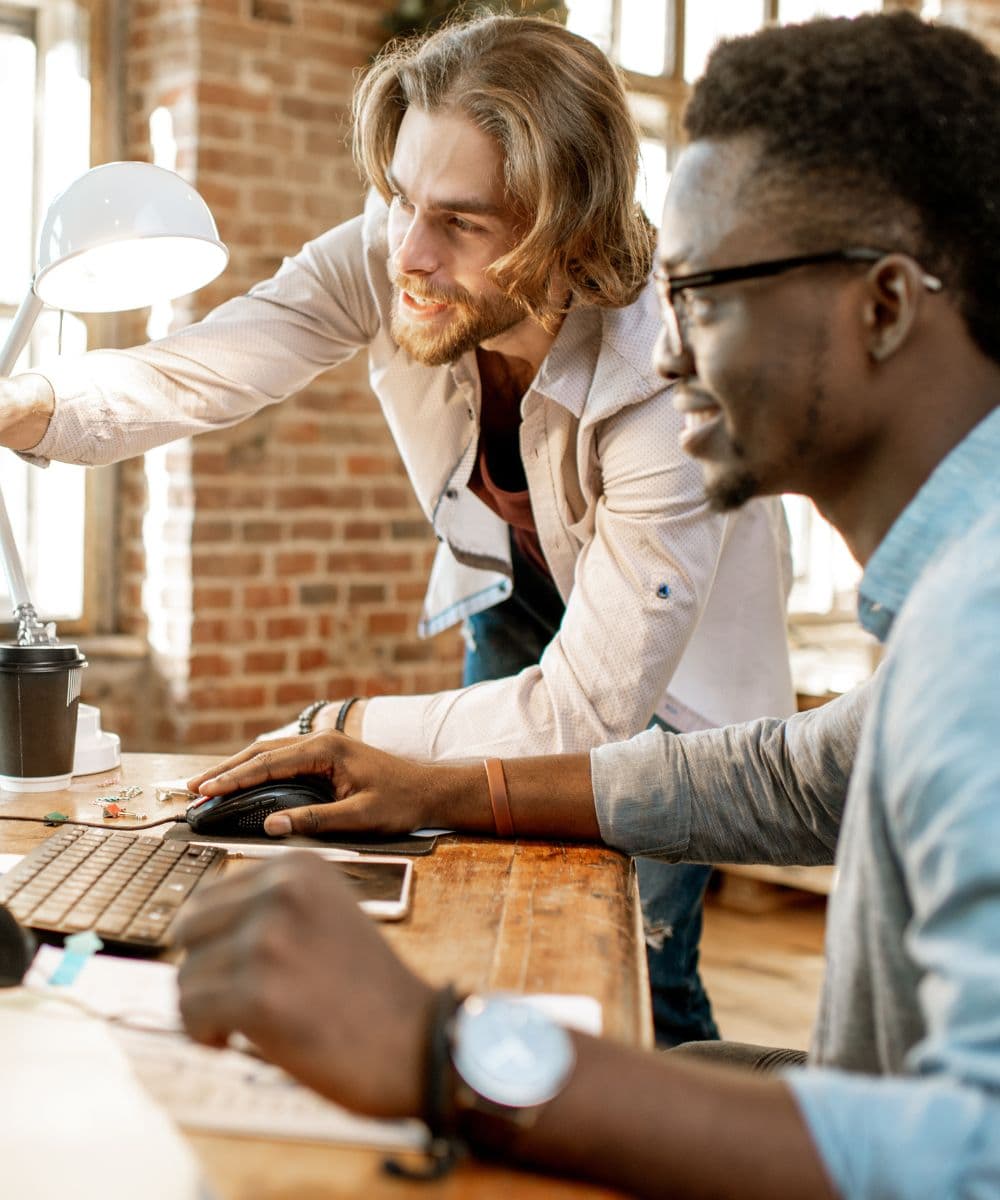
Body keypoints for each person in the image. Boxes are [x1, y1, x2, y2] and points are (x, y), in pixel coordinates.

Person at [174, 11, 1000, 1197]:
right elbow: (793, 774)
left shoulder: (981, 628)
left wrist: (434, 1048)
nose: (659, 360)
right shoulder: (953, 593)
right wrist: (446, 785)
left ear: (880, 306)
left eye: (705, 294)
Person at [0, 14, 796, 1044]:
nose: (407, 254)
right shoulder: (392, 247)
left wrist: (336, 728)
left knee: (635, 936)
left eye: (461, 223)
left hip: (671, 674)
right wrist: (31, 399)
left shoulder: (668, 381)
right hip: (512, 599)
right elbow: (207, 364)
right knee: (489, 861)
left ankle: (667, 1103)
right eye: (402, 200)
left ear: (572, 231)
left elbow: (587, 713)